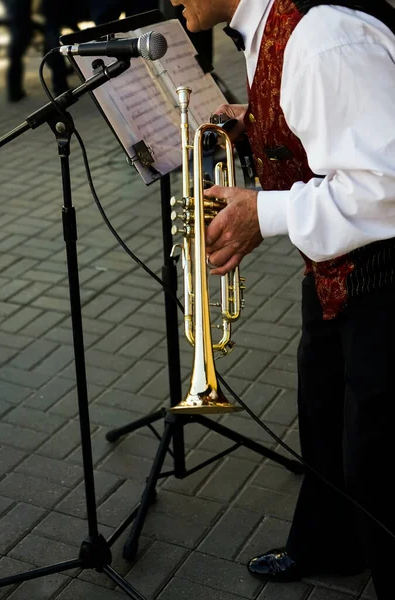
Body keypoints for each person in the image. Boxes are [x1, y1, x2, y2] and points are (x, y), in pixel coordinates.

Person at [169, 0, 395, 598]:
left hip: (384, 271)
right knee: (321, 402)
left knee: (378, 463)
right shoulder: (277, 27)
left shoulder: (321, 38)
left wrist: (260, 214)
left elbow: (383, 190)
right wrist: (260, 119)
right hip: (340, 265)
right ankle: (332, 543)